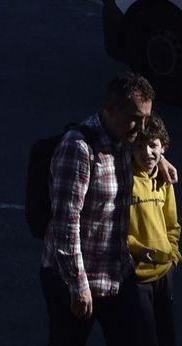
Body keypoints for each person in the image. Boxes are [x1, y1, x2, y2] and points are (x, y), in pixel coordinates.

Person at [40, 72, 155, 344]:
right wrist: (77, 285)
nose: (141, 126)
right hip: (75, 279)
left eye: (146, 119)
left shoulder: (125, 141)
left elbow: (150, 145)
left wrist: (160, 160)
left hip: (116, 273)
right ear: (111, 109)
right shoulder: (78, 150)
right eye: (135, 118)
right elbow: (66, 224)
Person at [126, 114, 180, 344]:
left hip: (164, 272)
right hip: (137, 278)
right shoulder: (125, 179)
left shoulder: (164, 179)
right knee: (146, 339)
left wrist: (173, 255)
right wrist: (137, 249)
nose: (147, 152)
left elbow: (172, 223)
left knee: (167, 337)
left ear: (163, 147)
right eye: (139, 146)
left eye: (153, 146)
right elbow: (116, 228)